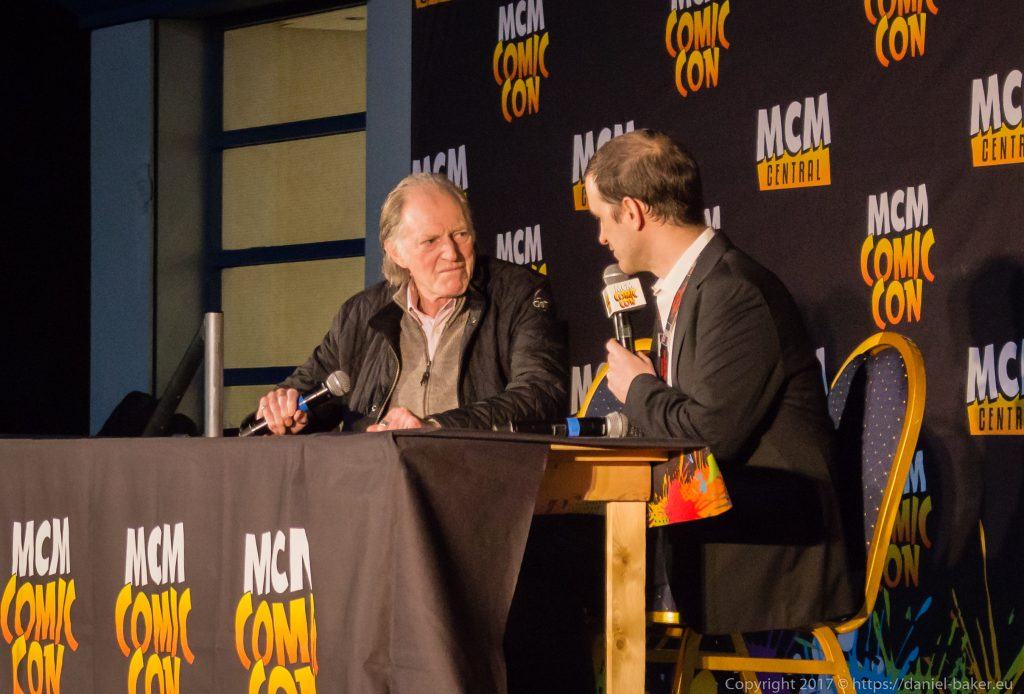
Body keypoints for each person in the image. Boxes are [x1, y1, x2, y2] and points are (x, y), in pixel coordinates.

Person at [584, 129, 859, 634]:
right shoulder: (693, 286)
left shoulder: (734, 291)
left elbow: (709, 437)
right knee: (575, 531)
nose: (601, 237)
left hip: (770, 539)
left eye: (602, 218)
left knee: (581, 545)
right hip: (721, 515)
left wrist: (639, 388)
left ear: (632, 211)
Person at [249, 172, 567, 434]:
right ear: (396, 252)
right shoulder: (360, 316)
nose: (452, 254)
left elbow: (540, 393)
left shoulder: (518, 294)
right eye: (431, 241)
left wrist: (435, 427)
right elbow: (303, 398)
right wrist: (286, 413)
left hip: (476, 481)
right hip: (374, 487)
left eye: (461, 234)